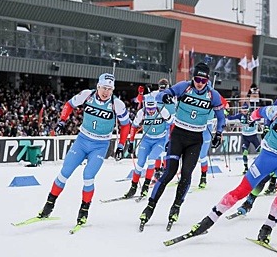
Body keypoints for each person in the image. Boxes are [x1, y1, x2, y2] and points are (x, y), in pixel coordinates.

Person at [185, 87, 277, 244]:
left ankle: (267, 229)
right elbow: (259, 112)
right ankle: (207, 222)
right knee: (242, 190)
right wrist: (251, 118)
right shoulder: (276, 111)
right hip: (268, 157)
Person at [139, 63, 226, 230]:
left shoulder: (212, 95)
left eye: (203, 79)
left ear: (207, 80)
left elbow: (221, 117)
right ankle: (149, 207)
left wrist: (219, 133)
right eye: (197, 79)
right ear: (193, 77)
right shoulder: (183, 87)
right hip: (178, 135)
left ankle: (176, 207)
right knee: (169, 173)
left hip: (195, 139)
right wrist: (164, 97)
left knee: (186, 174)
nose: (200, 82)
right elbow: (160, 96)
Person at [36, 73, 130, 226]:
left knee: (88, 176)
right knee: (64, 173)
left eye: (110, 89)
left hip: (100, 146)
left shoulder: (116, 104)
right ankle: (48, 206)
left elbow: (126, 125)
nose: (106, 92)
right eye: (104, 88)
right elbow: (69, 105)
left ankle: (83, 211)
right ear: (98, 86)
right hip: (82, 141)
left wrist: (121, 145)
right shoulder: (87, 95)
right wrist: (62, 122)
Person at [123, 95, 174, 199]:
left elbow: (172, 124)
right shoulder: (142, 112)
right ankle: (133, 187)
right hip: (146, 140)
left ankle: (145, 186)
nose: (151, 111)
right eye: (149, 109)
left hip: (159, 140)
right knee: (139, 164)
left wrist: (170, 140)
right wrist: (131, 143)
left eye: (153, 109)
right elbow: (133, 126)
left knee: (151, 160)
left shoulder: (162, 111)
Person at [227, 102, 261, 174]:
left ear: (248, 110)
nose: (243, 112)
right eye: (242, 111)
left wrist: (254, 118)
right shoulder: (240, 115)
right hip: (245, 137)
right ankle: (246, 168)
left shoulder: (252, 115)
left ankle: (261, 167)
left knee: (260, 152)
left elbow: (259, 118)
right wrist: (226, 113)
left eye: (245, 111)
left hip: (253, 136)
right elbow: (230, 118)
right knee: (245, 153)